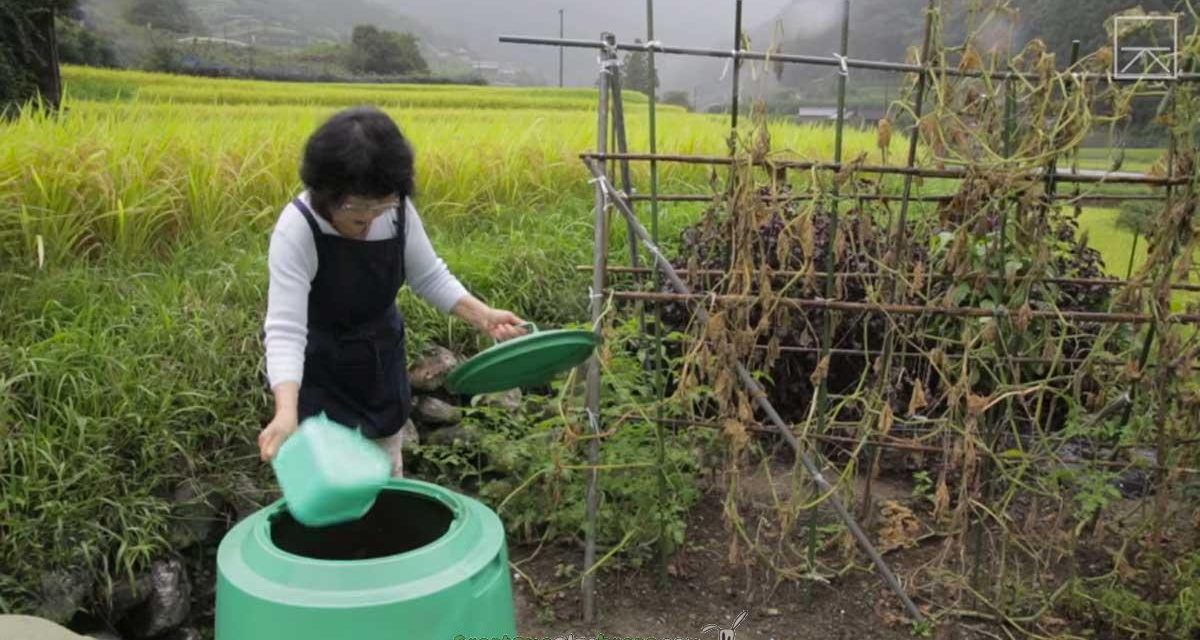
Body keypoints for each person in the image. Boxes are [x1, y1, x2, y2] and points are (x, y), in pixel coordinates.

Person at [258, 106, 526, 476]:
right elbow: (286, 330)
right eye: (357, 209)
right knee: (327, 489)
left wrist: (484, 315)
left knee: (385, 482)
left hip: (378, 364)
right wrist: (285, 412)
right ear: (326, 194)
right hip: (320, 375)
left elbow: (428, 275)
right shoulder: (297, 229)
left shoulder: (397, 211)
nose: (369, 220)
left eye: (381, 206)